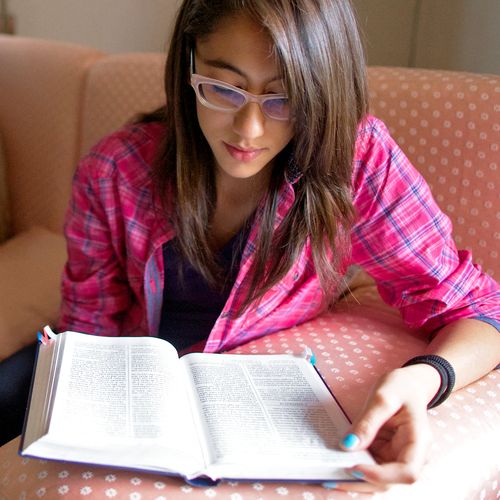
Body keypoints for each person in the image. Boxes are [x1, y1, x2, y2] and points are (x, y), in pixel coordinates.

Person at [1, 0, 499, 492]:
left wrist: (423, 379)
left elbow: (481, 307)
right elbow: (90, 327)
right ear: (189, 65)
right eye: (223, 88)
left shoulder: (355, 159)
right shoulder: (114, 171)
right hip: (135, 369)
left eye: (285, 98)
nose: (250, 130)